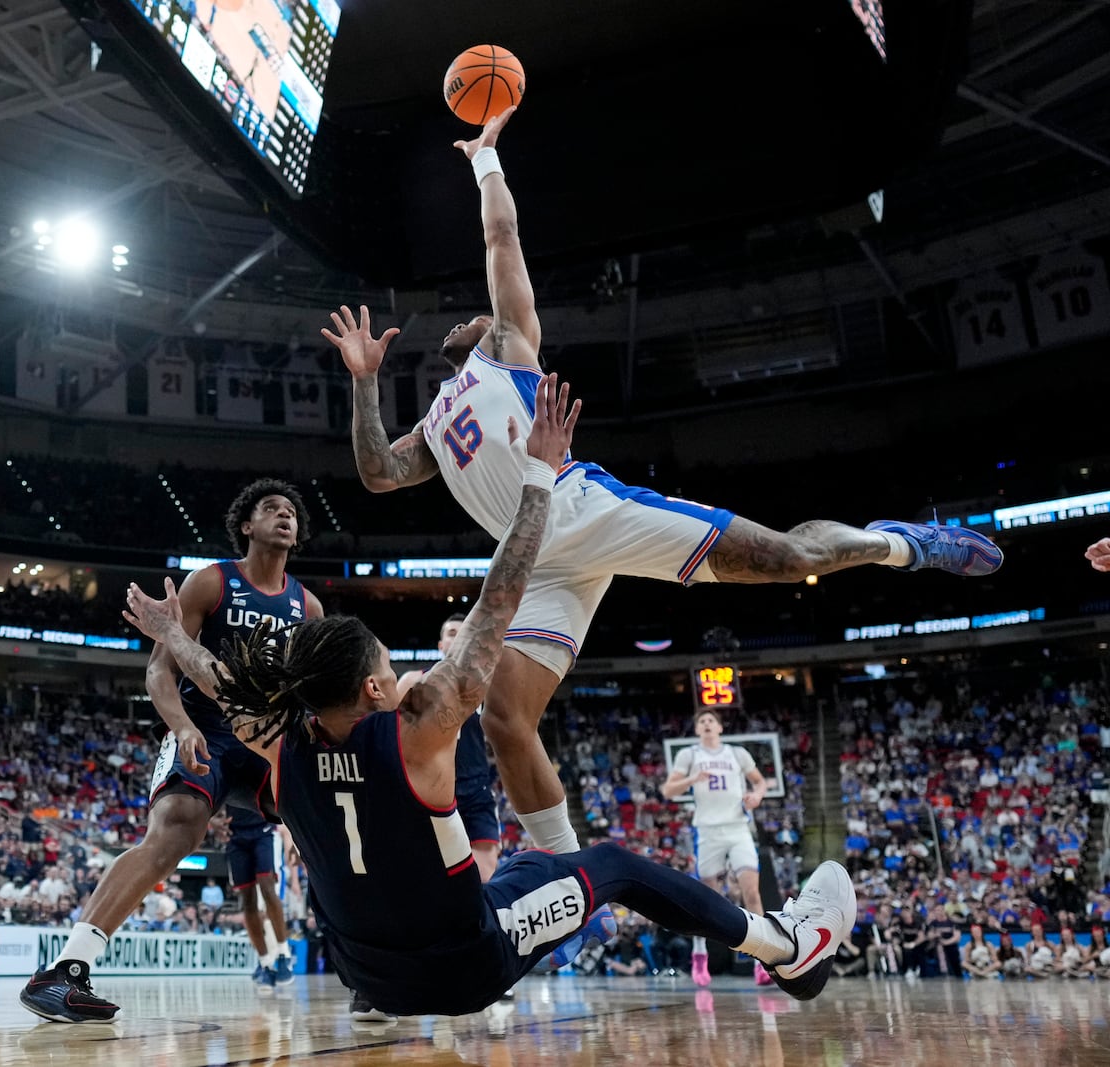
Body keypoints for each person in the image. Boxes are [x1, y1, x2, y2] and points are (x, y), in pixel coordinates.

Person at [324, 104, 1004, 867]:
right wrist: (364, 383)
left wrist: (486, 160)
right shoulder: (432, 427)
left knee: (782, 557)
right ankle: (571, 875)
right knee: (505, 719)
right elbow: (379, 472)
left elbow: (501, 236)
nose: (466, 318)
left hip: (589, 511)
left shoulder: (509, 347)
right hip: (534, 563)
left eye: (476, 314)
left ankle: (899, 544)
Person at [121, 374, 855, 1018]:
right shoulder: (418, 727)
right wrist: (539, 477)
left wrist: (171, 635)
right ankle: (787, 944)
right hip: (464, 966)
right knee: (614, 866)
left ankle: (555, 899)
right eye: (389, 662)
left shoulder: (277, 738)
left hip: (366, 968)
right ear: (376, 687)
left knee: (530, 868)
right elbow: (503, 594)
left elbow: (223, 684)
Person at [19, 479, 322, 1023]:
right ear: (246, 526)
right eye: (270, 508)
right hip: (202, 727)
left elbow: (313, 696)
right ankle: (65, 971)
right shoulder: (210, 582)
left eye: (291, 511)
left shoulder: (308, 606)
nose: (284, 515)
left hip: (269, 738)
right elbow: (160, 669)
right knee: (176, 827)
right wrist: (180, 726)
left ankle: (366, 968)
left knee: (328, 833)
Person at [661, 708, 769, 986]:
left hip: (737, 827)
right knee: (708, 898)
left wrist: (756, 795)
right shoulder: (689, 755)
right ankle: (700, 954)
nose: (707, 724)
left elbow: (760, 782)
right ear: (697, 730)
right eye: (702, 721)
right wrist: (691, 780)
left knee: (751, 892)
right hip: (707, 831)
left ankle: (761, 960)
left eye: (711, 721)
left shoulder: (737, 753)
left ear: (720, 728)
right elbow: (668, 791)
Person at [395, 614, 500, 882]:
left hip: (475, 787)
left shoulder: (486, 684)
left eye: (465, 632)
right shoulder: (413, 681)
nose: (459, 636)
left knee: (485, 876)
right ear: (441, 644)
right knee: (430, 877)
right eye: (452, 632)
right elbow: (391, 737)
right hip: (428, 789)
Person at [222, 804, 294, 987]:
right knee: (248, 901)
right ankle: (265, 963)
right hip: (235, 834)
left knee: (268, 889)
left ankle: (284, 954)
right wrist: (213, 819)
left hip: (263, 829)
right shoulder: (223, 775)